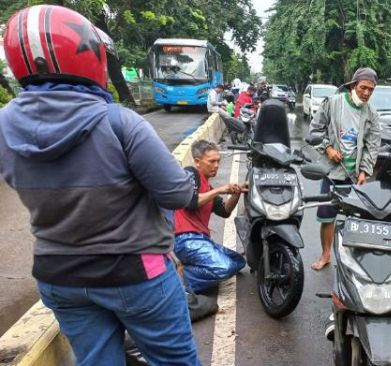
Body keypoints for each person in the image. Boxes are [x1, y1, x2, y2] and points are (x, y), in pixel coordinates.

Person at [0, 5, 200, 365]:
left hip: (59, 276)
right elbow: (177, 194)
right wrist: (188, 177)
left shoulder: (2, 127)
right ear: (89, 56)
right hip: (136, 274)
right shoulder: (120, 122)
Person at [308, 67, 381, 271]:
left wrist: (364, 172)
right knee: (327, 216)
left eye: (370, 90)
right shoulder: (333, 103)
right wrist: (328, 148)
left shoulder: (372, 115)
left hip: (354, 176)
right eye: (363, 88)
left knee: (354, 219)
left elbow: (372, 145)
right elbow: (315, 129)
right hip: (332, 172)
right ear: (353, 86)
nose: (366, 93)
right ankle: (325, 255)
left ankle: (351, 258)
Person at [174, 140, 247, 292]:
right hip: (185, 239)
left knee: (238, 261)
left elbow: (225, 211)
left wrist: (237, 191)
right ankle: (177, 281)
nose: (216, 165)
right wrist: (220, 190)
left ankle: (191, 269)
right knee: (224, 267)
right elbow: (191, 202)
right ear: (197, 161)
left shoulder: (208, 188)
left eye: (218, 161)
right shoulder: (190, 174)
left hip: (202, 240)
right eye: (211, 161)